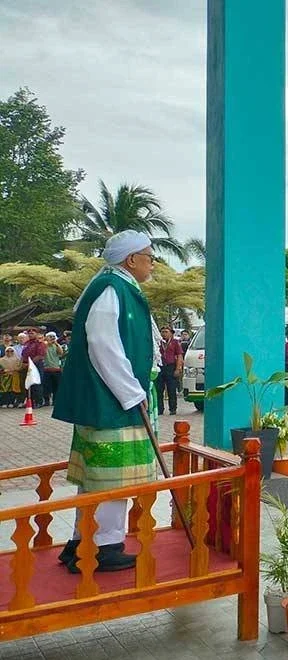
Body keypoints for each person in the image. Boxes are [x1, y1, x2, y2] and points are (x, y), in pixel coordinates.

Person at [52, 230, 160, 573]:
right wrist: (132, 392)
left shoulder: (118, 287)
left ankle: (82, 541)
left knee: (97, 477)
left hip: (112, 397)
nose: (152, 262)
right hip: (112, 400)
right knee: (113, 476)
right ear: (131, 260)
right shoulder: (113, 289)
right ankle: (103, 546)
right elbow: (103, 347)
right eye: (149, 256)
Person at [155, 326, 183, 416]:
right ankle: (160, 409)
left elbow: (179, 356)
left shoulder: (175, 342)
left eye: (166, 332)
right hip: (160, 368)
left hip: (171, 367)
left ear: (171, 333)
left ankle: (173, 409)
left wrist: (178, 368)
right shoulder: (158, 342)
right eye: (162, 332)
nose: (164, 334)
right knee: (159, 389)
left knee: (171, 389)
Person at [41, 331, 65, 406]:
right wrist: (48, 343)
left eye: (53, 336)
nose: (52, 338)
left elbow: (61, 353)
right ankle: (46, 400)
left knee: (57, 386)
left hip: (56, 369)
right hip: (46, 369)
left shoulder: (57, 345)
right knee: (46, 387)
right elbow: (42, 351)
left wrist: (56, 344)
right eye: (50, 336)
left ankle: (55, 401)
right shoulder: (44, 345)